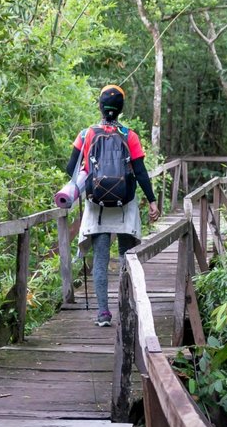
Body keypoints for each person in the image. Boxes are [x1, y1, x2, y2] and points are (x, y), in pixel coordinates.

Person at [63, 85, 159, 327]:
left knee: (101, 258)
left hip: (97, 206)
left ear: (100, 106)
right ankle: (127, 307)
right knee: (127, 257)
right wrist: (152, 200)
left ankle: (103, 313)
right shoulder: (130, 135)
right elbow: (140, 171)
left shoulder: (86, 135)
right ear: (121, 110)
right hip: (125, 204)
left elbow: (70, 169)